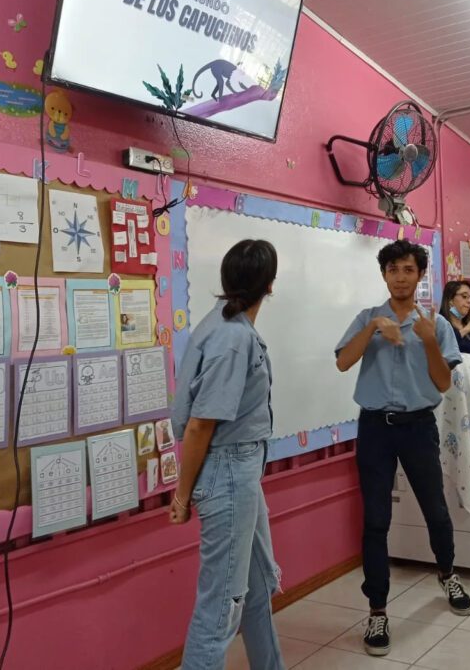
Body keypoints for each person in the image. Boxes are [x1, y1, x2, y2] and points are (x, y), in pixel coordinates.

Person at [335, 240, 470, 657]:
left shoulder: (437, 324)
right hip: (375, 427)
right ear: (384, 275)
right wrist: (374, 328)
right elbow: (342, 362)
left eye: (408, 269)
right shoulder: (366, 318)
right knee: (376, 519)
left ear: (419, 275)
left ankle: (447, 572)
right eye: (393, 269)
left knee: (435, 506)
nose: (400, 276)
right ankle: (377, 609)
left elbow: (444, 384)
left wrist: (429, 340)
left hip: (417, 427)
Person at [169, 240, 284, 670]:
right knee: (222, 604)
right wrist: (182, 496)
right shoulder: (235, 339)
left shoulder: (218, 322)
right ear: (269, 286)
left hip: (242, 469)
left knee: (255, 586)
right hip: (229, 470)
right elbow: (201, 424)